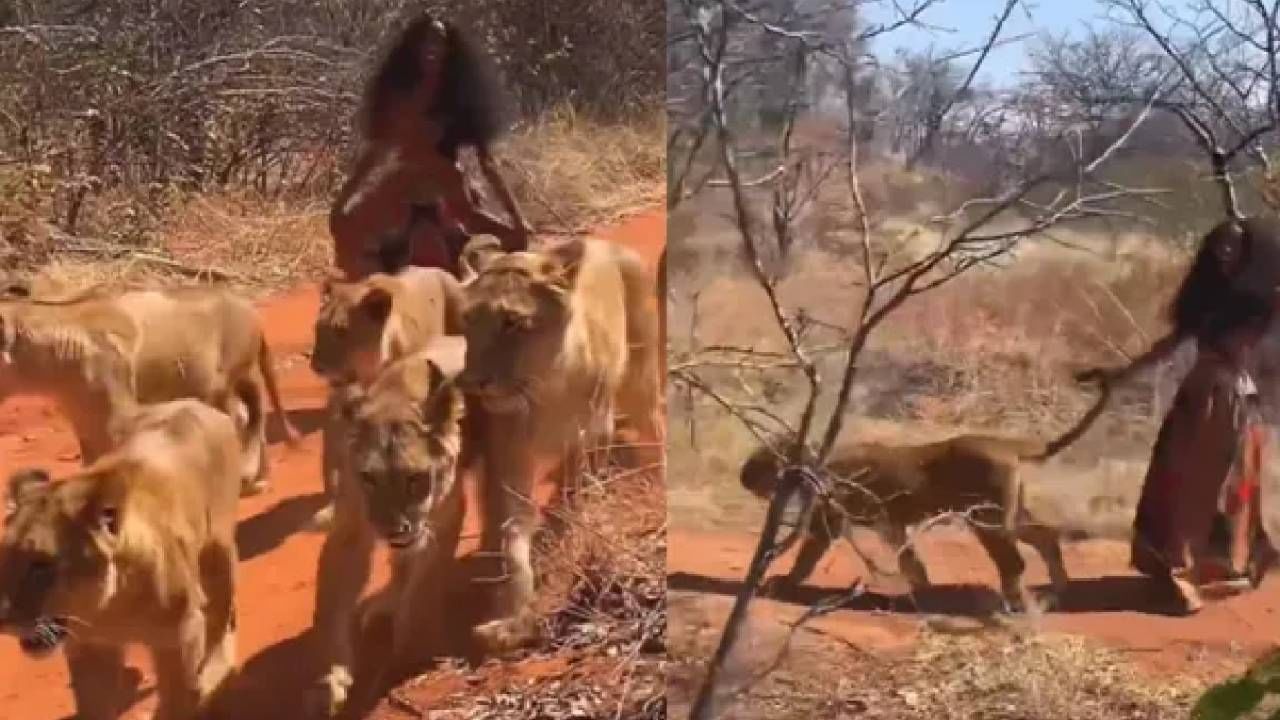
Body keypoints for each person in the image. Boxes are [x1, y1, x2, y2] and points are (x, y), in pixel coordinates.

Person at [1077, 217, 1280, 614]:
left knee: (1238, 490)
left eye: (1233, 248)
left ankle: (1229, 564)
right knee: (1188, 490)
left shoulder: (1267, 303)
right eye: (1219, 247)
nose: (1224, 254)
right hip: (1207, 397)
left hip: (1245, 401)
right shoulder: (1205, 304)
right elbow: (1167, 347)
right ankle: (1177, 574)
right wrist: (1119, 375)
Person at [330, 13, 532, 280]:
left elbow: (486, 163)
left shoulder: (459, 99)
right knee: (349, 235)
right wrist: (343, 203)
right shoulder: (398, 95)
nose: (432, 49)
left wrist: (516, 219)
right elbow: (376, 152)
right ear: (413, 48)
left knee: (507, 246)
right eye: (426, 42)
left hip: (449, 190)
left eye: (439, 43)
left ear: (449, 51)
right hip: (400, 188)